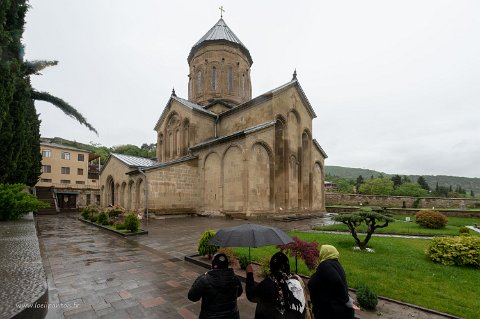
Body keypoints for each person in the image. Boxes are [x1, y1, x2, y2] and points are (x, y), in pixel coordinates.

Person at [246, 251, 305, 319]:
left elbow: (251, 296)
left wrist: (249, 274)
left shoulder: (267, 285)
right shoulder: (297, 283)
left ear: (271, 267)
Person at [188, 253, 243, 319]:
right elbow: (239, 293)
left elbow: (192, 297)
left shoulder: (204, 280)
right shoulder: (235, 278)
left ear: (213, 265)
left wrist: (202, 276)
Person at [307, 245, 355, 319]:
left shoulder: (325, 265)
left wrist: (347, 300)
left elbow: (337, 281)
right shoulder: (336, 264)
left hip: (332, 312)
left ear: (324, 253)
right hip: (339, 312)